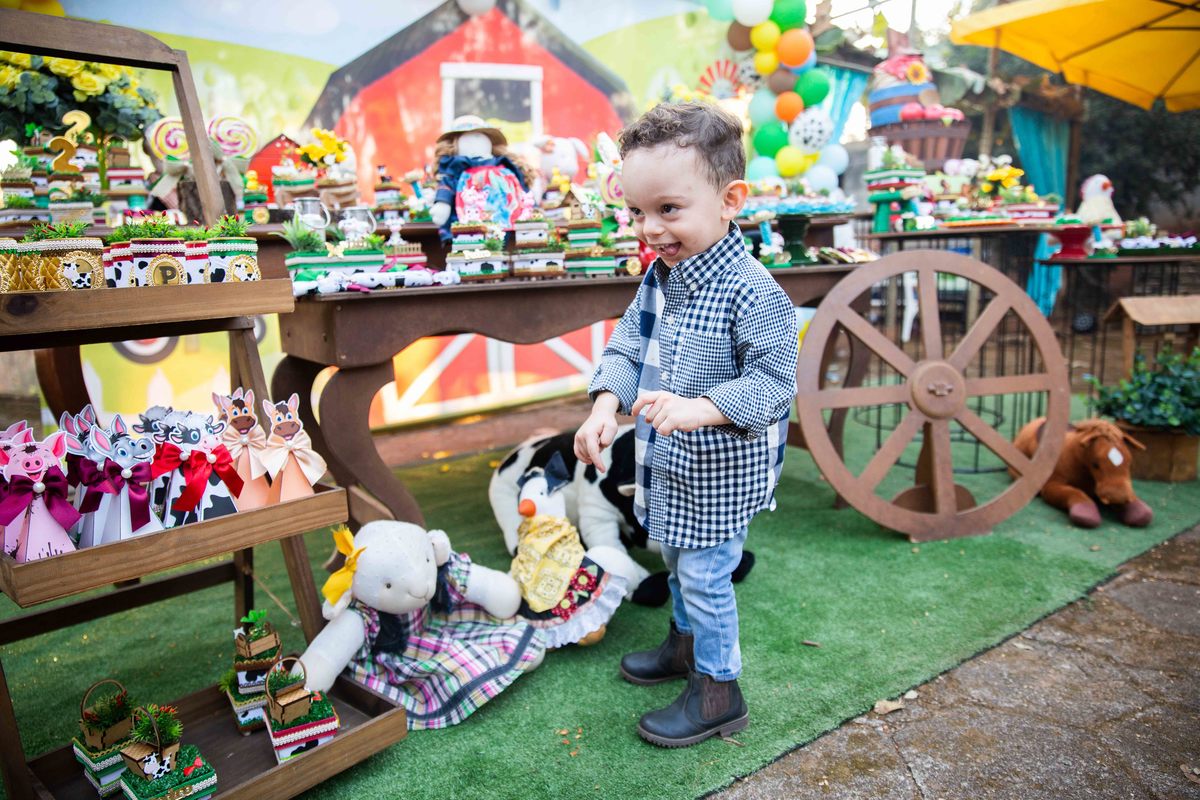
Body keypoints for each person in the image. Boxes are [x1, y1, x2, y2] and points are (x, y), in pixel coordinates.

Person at [574, 102, 798, 747]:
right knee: (676, 560)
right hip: (667, 467)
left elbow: (773, 386)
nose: (649, 228)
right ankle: (683, 647)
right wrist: (603, 407)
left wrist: (704, 407)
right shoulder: (661, 276)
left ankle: (718, 689)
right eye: (638, 212)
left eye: (668, 210)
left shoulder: (755, 293)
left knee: (704, 575)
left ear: (730, 200)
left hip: (721, 474)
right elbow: (625, 345)